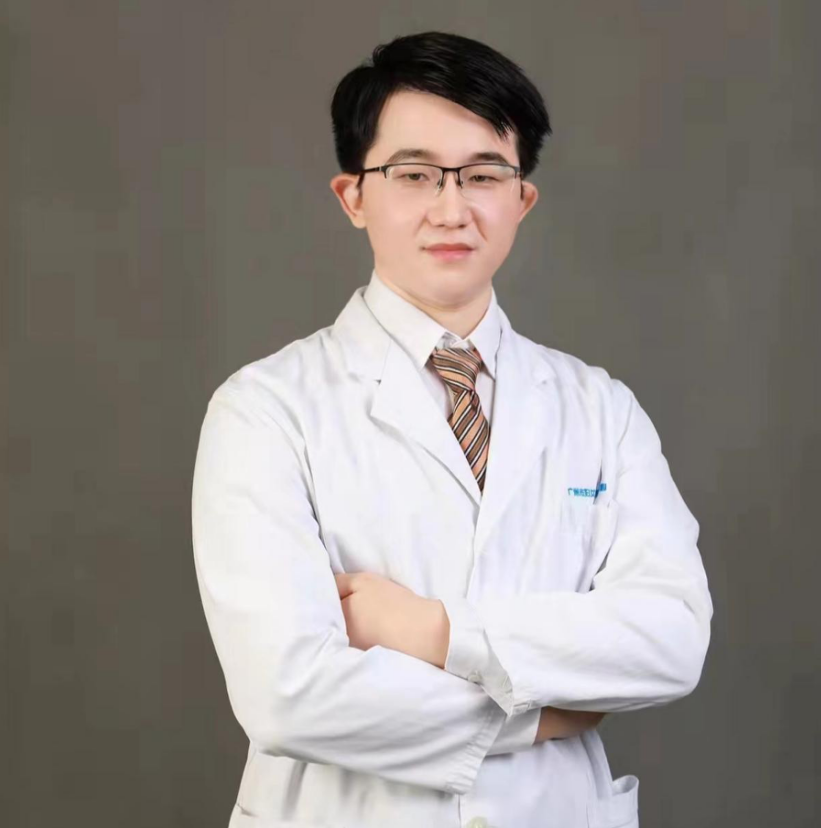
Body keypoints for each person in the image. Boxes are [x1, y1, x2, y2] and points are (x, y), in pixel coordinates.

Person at [191, 30, 713, 828]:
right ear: (353, 197)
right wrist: (541, 714)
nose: (450, 208)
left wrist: (435, 632)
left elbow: (671, 639)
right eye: (413, 174)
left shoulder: (600, 409)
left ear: (521, 199)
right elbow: (289, 696)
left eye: (482, 175)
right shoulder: (265, 409)